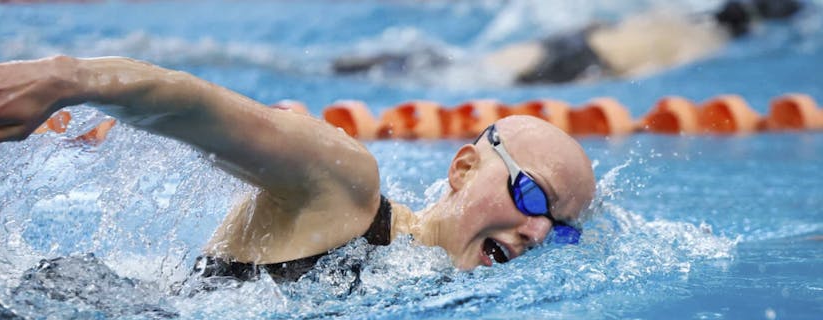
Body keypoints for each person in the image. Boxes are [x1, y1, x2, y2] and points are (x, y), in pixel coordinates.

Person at [0, 55, 595, 282]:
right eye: (532, 194)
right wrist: (66, 77)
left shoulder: (432, 285)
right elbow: (204, 109)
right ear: (464, 166)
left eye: (558, 230)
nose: (537, 229)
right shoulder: (349, 190)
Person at [332, 0, 803, 85]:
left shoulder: (676, 15)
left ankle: (356, 64)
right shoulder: (706, 42)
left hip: (577, 38)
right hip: (588, 62)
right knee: (471, 74)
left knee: (469, 65)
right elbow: (640, 72)